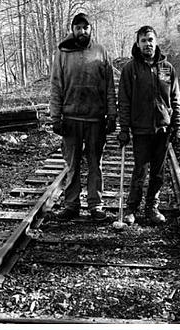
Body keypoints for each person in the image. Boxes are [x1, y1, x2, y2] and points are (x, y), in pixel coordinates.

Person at [50, 12, 116, 222]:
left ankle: (96, 205)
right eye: (78, 28)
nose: (81, 31)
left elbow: (109, 88)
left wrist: (112, 114)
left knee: (95, 163)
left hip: (95, 119)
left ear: (91, 29)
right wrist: (55, 117)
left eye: (85, 27)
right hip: (71, 118)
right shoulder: (62, 52)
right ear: (73, 29)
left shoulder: (101, 52)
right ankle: (71, 205)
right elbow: (56, 86)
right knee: (72, 164)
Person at [116, 25, 180, 227]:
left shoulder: (167, 68)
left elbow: (176, 98)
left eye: (151, 40)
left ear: (156, 42)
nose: (148, 44)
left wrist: (178, 125)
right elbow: (124, 101)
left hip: (162, 129)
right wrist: (124, 129)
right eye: (144, 40)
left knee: (158, 172)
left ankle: (152, 207)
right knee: (140, 170)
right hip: (141, 129)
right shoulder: (130, 69)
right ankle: (132, 208)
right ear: (138, 43)